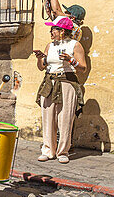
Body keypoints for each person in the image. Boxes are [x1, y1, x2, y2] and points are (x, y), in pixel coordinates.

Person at [34, 15, 87, 163]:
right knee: (47, 117)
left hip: (66, 81)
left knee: (65, 117)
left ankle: (63, 151)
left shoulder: (75, 45)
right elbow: (41, 67)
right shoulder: (50, 46)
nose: (51, 32)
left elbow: (83, 68)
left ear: (62, 31)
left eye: (53, 29)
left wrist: (70, 60)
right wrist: (40, 58)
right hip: (50, 82)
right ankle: (48, 149)